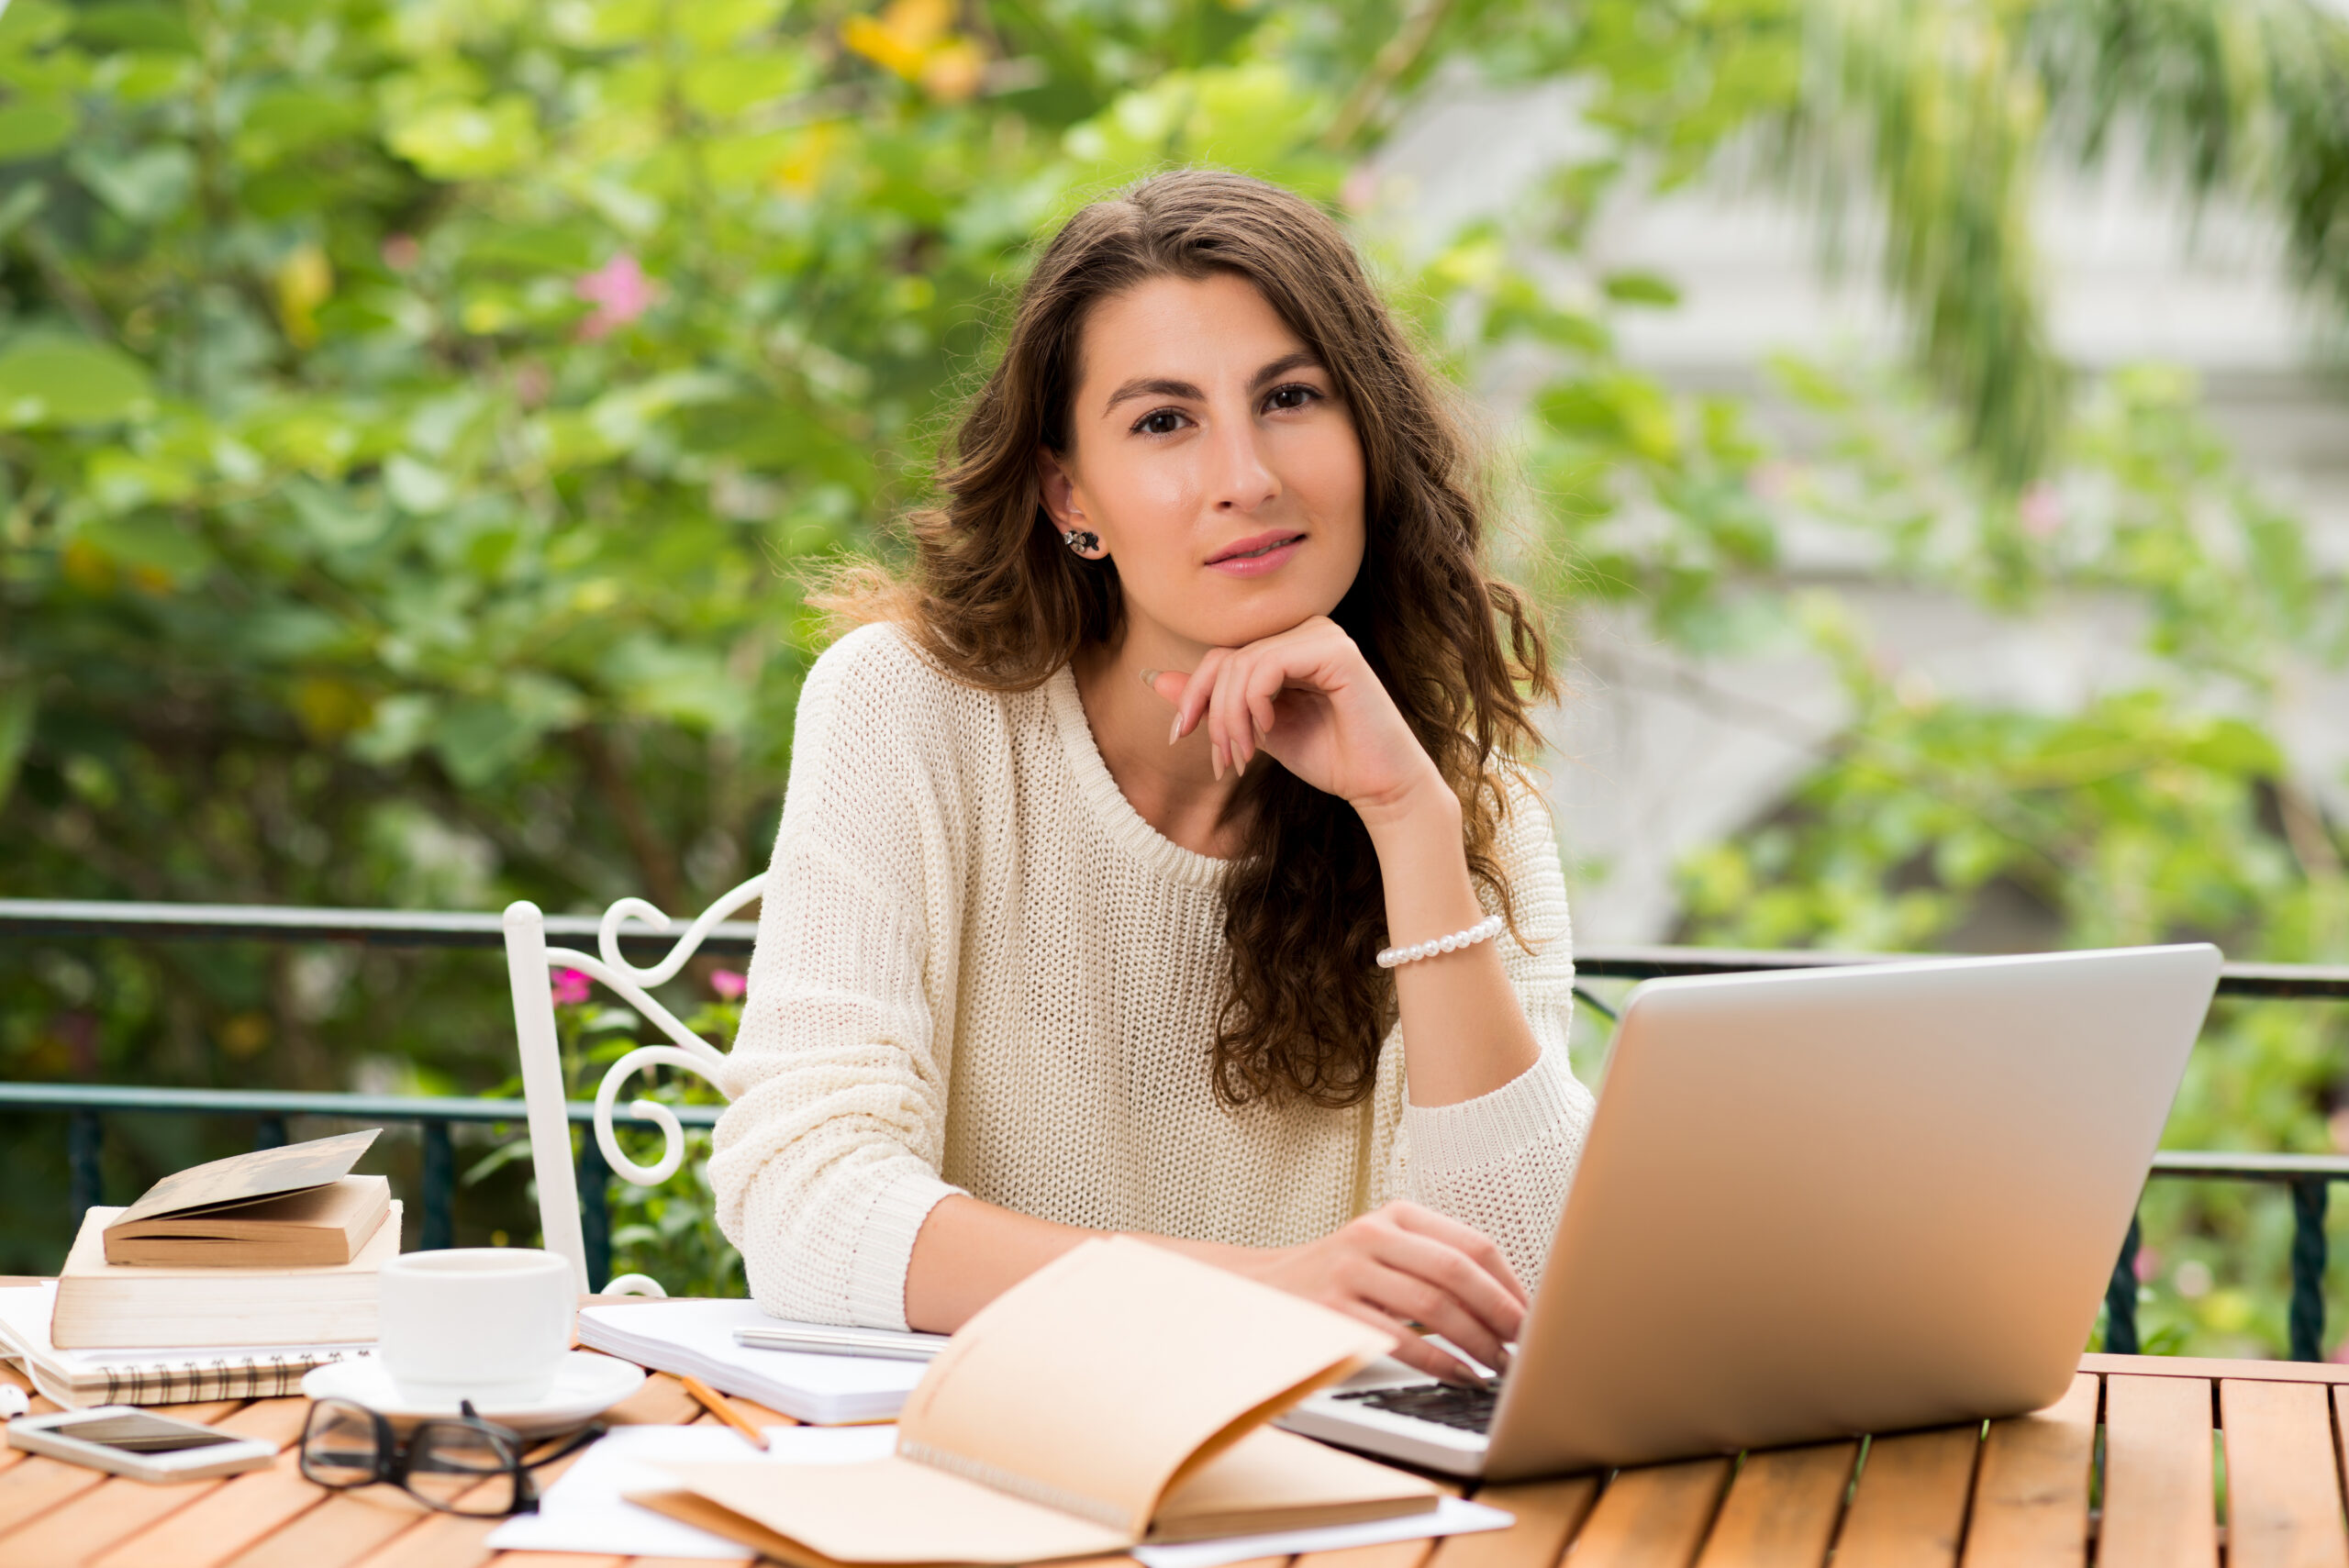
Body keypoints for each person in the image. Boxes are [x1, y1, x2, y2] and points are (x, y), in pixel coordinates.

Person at [709, 169, 1595, 1383]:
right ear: (1070, 496)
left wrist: (1407, 824)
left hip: (1326, 1462)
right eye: (1164, 422)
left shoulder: (1457, 804)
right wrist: (1257, 1293)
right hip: (987, 1439)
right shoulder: (907, 711)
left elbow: (1517, 1292)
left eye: (1290, 397)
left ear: (1369, 438)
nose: (1248, 477)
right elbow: (805, 1201)